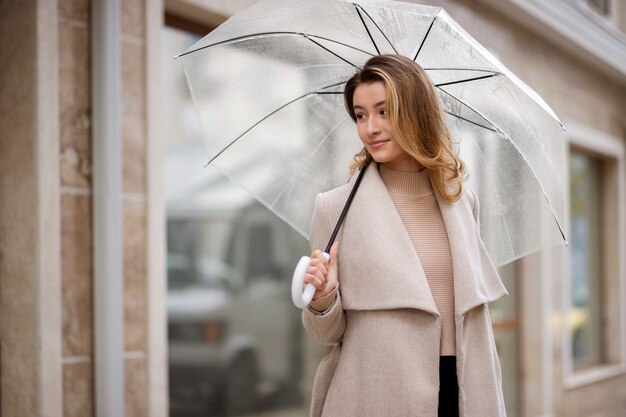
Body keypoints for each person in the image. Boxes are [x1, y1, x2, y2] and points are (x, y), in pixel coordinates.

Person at [301, 55, 508, 417]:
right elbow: (325, 334)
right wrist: (324, 296)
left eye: (384, 111)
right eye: (361, 115)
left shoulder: (463, 202)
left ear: (416, 111)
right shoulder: (335, 208)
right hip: (378, 392)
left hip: (465, 391)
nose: (370, 128)